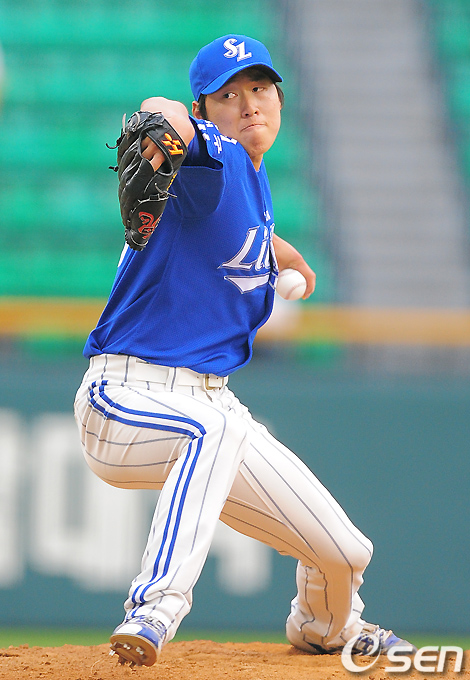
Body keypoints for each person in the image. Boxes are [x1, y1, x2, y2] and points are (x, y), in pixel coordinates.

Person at [74, 34, 415, 667]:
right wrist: (164, 119)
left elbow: (230, 227)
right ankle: (154, 609)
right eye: (228, 95)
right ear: (205, 112)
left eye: (260, 88)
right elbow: (164, 114)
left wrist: (280, 251)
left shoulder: (250, 182)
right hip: (124, 397)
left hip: (209, 406)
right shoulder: (214, 158)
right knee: (212, 430)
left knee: (344, 552)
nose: (249, 103)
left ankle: (325, 626)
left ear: (280, 100)